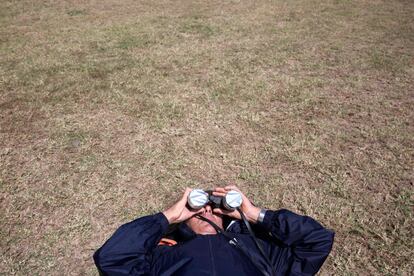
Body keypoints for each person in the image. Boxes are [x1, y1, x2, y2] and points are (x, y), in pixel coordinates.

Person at [94, 186, 334, 275]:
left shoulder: (258, 250)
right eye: (197, 208)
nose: (206, 211)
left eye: (216, 208)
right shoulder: (160, 255)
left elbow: (317, 240)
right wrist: (168, 217)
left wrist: (254, 214)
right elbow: (111, 258)